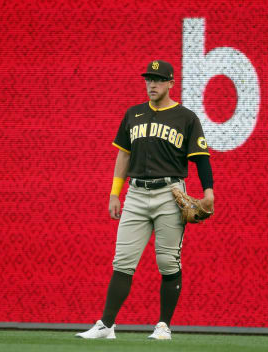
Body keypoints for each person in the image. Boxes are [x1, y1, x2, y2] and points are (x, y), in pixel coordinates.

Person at [76, 60, 214, 340]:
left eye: (159, 80)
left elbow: (200, 158)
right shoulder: (133, 114)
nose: (152, 84)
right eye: (149, 79)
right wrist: (115, 192)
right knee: (123, 261)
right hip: (136, 194)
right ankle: (106, 325)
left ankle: (163, 326)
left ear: (171, 83)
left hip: (169, 194)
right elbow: (123, 154)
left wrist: (209, 192)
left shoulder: (186, 118)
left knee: (167, 261)